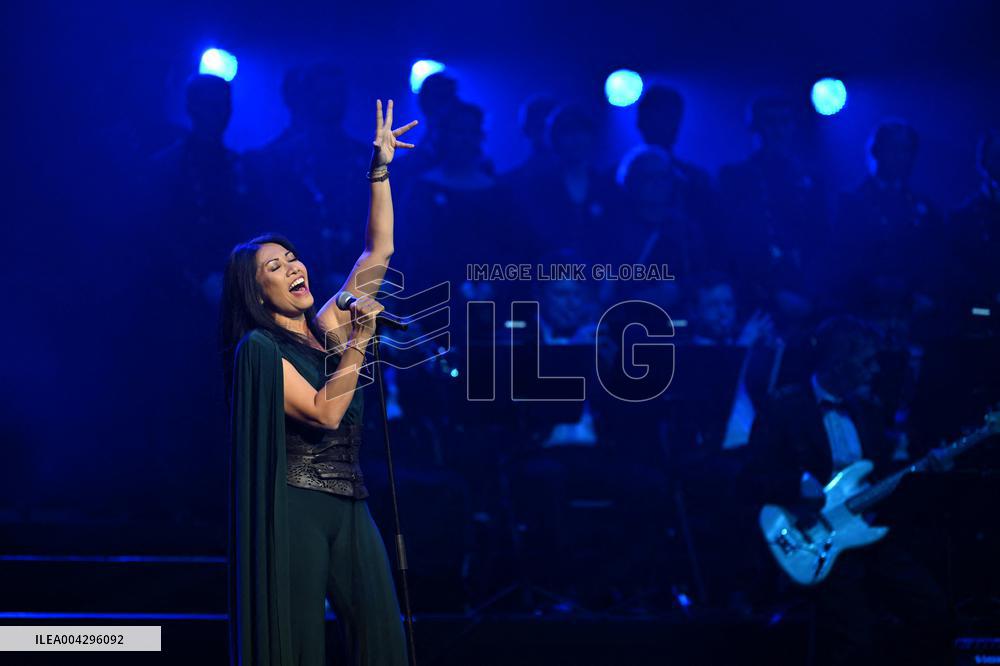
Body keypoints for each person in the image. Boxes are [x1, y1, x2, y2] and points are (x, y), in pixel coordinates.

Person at [221, 99, 417, 665]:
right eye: (274, 268)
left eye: (293, 258)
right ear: (257, 293)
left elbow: (380, 249)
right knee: (298, 643)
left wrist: (379, 170)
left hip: (351, 501)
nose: (293, 268)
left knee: (383, 638)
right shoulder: (258, 350)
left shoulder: (327, 324)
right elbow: (324, 412)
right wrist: (360, 338)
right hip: (295, 506)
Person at [747, 316, 952, 666]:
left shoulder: (868, 412)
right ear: (840, 360)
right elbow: (751, 479)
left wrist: (924, 467)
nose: (875, 371)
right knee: (852, 637)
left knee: (937, 615)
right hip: (816, 539)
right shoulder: (784, 407)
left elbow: (882, 477)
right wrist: (798, 484)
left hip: (866, 535)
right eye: (867, 361)